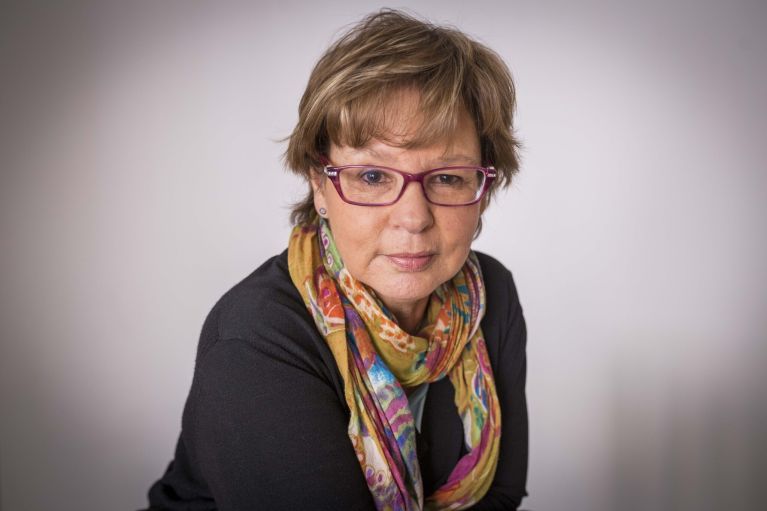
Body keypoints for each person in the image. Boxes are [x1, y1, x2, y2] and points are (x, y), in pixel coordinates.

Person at [143, 9, 528, 511]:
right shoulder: (257, 339)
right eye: (372, 176)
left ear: (483, 190)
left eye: (448, 177)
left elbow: (499, 496)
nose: (413, 218)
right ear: (319, 186)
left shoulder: (490, 293)